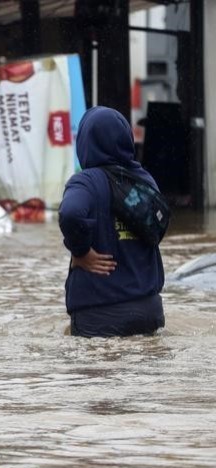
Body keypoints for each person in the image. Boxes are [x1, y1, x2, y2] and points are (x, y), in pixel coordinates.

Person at [58, 106, 165, 337]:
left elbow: (70, 213)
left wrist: (81, 251)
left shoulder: (85, 182)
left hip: (100, 315)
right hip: (149, 310)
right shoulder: (146, 182)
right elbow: (160, 225)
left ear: (85, 142)